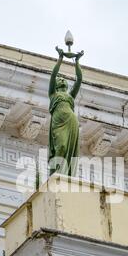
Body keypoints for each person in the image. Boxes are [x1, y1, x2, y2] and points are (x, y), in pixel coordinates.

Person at [48, 46, 84, 176]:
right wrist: (60, 58)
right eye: (60, 79)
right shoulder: (53, 94)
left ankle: (66, 174)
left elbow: (79, 79)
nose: (62, 79)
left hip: (71, 122)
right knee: (61, 146)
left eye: (63, 79)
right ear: (56, 84)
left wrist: (77, 61)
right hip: (58, 123)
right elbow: (53, 75)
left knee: (70, 150)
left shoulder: (70, 96)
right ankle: (57, 173)